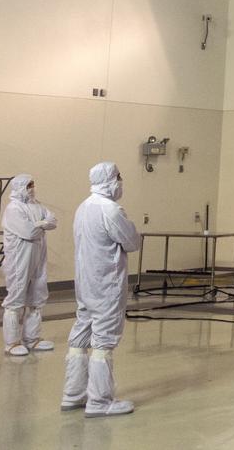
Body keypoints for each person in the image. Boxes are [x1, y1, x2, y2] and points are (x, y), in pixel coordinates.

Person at [61, 162, 142, 417]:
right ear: (109, 179)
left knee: (80, 336)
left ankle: (72, 394)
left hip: (85, 284)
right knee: (103, 343)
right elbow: (131, 241)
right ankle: (99, 401)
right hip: (106, 285)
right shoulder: (110, 210)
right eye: (119, 176)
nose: (121, 181)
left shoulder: (83, 208)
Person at [0, 173, 57, 356]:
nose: (32, 188)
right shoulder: (13, 209)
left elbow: (53, 221)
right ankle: (12, 342)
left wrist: (39, 224)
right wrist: (41, 225)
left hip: (38, 256)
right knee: (16, 297)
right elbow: (29, 232)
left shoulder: (37, 205)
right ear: (19, 187)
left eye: (33, 184)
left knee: (37, 295)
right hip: (19, 258)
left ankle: (32, 339)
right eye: (29, 185)